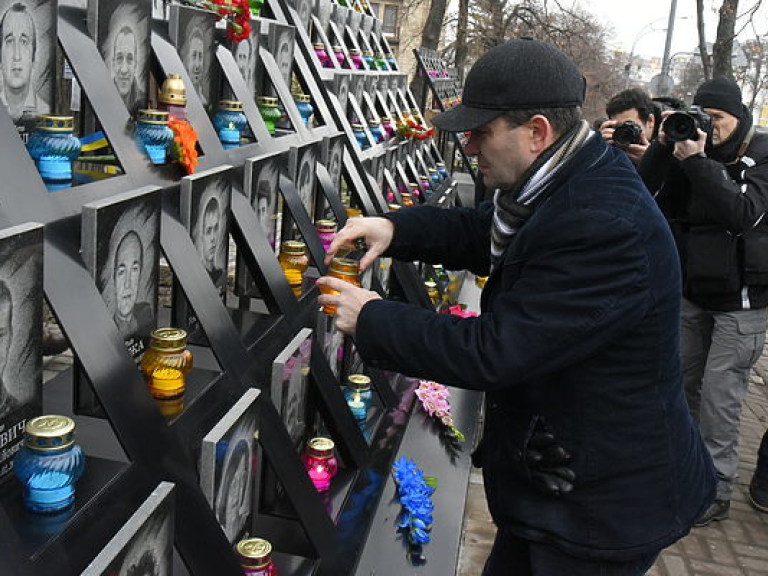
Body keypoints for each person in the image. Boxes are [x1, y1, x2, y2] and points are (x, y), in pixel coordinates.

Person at [318, 38, 715, 575]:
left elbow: (494, 350)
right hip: (556, 479)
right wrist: (394, 227)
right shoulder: (561, 180)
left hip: (598, 508)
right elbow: (484, 230)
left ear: (536, 131)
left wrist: (370, 317)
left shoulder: (603, 224)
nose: (470, 147)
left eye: (481, 132)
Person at [638, 77, 768, 527]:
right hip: (693, 293)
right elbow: (644, 188)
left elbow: (743, 213)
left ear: (740, 117)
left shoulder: (763, 154)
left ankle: (715, 490)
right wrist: (662, 145)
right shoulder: (690, 148)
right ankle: (681, 472)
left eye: (719, 121)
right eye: (704, 119)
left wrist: (698, 162)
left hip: (742, 303)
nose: (709, 129)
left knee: (719, 397)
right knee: (680, 384)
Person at [0, 2, 38, 122]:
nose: (17, 56)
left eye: (24, 41)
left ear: (33, 56)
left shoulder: (46, 111)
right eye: (10, 41)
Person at [597, 87, 656, 165]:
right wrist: (599, 149)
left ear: (650, 121)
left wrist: (652, 162)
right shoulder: (612, 145)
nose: (624, 132)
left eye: (630, 126)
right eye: (619, 127)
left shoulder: (672, 148)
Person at [197, 195, 225, 287]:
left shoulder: (221, 274)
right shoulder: (197, 276)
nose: (213, 238)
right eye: (208, 231)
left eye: (216, 228)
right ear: (201, 236)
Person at [111, 25, 139, 110]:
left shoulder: (142, 99)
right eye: (119, 58)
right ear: (113, 63)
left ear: (135, 64)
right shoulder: (102, 96)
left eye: (130, 59)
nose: (124, 69)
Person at [182, 26, 207, 106]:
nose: (197, 65)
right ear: (187, 59)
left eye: (200, 57)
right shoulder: (181, 97)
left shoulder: (204, 100)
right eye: (194, 55)